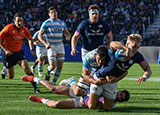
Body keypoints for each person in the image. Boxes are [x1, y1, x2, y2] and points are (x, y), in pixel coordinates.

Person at [87, 33, 152, 111]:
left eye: (138, 47)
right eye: (134, 46)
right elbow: (111, 43)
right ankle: (85, 95)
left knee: (107, 108)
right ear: (127, 44)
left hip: (112, 82)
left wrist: (144, 76)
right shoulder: (117, 50)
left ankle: (98, 97)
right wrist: (126, 49)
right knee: (92, 106)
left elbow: (147, 69)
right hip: (100, 78)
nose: (136, 49)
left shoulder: (137, 56)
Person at [21, 75, 130, 109]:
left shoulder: (111, 104)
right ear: (119, 91)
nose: (120, 97)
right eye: (121, 94)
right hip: (81, 92)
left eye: (122, 98)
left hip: (81, 103)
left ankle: (41, 100)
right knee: (53, 89)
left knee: (57, 104)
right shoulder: (110, 90)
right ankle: (34, 79)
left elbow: (99, 103)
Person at [0, 12, 40, 93]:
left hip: (19, 53)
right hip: (9, 54)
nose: (20, 23)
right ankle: (5, 69)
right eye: (18, 21)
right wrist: (6, 50)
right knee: (11, 77)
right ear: (14, 21)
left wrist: (32, 49)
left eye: (21, 21)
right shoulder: (8, 28)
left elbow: (29, 38)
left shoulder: (24, 30)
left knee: (27, 69)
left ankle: (36, 88)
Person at [38, 6, 71, 84]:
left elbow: (67, 33)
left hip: (60, 46)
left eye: (55, 12)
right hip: (51, 46)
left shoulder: (62, 23)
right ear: (49, 14)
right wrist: (45, 44)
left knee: (60, 66)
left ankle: (53, 83)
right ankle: (48, 72)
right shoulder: (46, 23)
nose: (54, 13)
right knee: (53, 66)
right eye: (52, 12)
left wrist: (68, 36)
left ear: (57, 13)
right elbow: (40, 35)